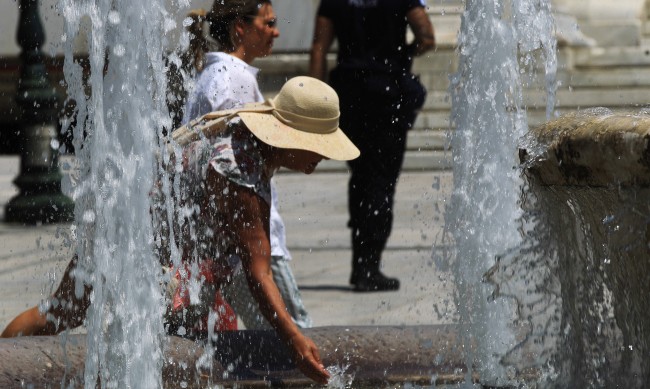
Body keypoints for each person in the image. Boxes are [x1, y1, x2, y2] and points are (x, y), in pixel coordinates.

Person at [3, 76, 359, 384]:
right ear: (290, 136)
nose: (323, 156)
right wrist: (294, 336)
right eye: (317, 145)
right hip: (134, 242)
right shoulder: (240, 171)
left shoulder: (247, 141)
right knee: (72, 315)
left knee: (65, 312)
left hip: (135, 233)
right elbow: (258, 271)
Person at [180, 0, 312, 329]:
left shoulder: (216, 74)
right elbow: (233, 166)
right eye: (268, 23)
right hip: (247, 240)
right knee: (294, 335)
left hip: (229, 242)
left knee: (264, 343)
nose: (276, 31)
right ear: (241, 26)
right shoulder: (233, 80)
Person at [309, 0, 435, 292]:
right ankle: (369, 266)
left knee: (361, 175)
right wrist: (401, 53)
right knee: (382, 180)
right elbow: (427, 36)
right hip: (388, 92)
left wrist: (313, 99)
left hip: (349, 92)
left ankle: (361, 264)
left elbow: (319, 48)